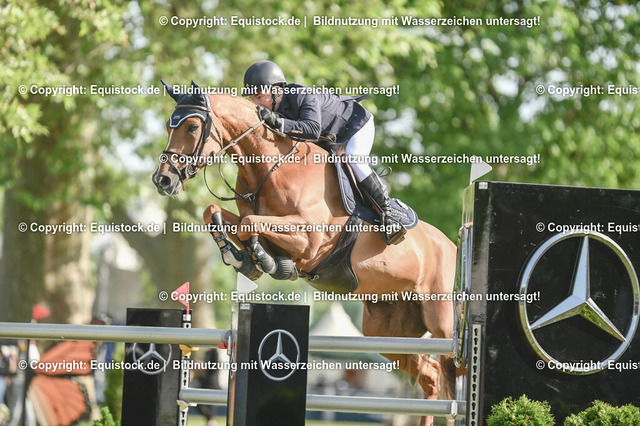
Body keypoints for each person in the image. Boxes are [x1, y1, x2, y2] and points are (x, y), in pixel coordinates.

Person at [243, 60, 406, 245]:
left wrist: (279, 123)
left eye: (259, 96)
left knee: (354, 159)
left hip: (354, 125)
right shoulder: (274, 108)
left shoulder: (301, 95)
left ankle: (388, 216)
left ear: (277, 91)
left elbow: (312, 129)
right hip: (329, 139)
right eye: (253, 99)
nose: (257, 104)